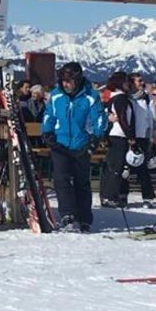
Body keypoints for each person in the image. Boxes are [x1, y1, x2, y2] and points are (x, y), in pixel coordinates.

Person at [41, 61, 106, 232]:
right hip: (60, 143)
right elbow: (49, 115)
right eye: (63, 80)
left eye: (69, 81)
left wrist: (95, 139)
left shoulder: (90, 95)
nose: (65, 84)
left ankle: (84, 218)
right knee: (61, 180)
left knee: (81, 182)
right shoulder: (56, 95)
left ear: (77, 80)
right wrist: (47, 132)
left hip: (81, 144)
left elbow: (99, 118)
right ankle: (68, 215)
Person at [100, 72, 137, 208]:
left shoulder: (113, 98)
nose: (129, 85)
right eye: (127, 82)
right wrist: (131, 136)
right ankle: (110, 196)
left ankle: (107, 195)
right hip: (119, 135)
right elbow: (123, 118)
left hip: (113, 135)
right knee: (116, 167)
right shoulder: (121, 99)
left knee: (113, 166)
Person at [128, 73, 156, 206]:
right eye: (138, 81)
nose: (141, 83)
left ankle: (147, 197)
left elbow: (152, 118)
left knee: (143, 168)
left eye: (141, 81)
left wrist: (151, 135)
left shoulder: (147, 98)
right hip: (129, 136)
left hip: (143, 136)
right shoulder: (127, 97)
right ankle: (123, 195)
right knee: (126, 167)